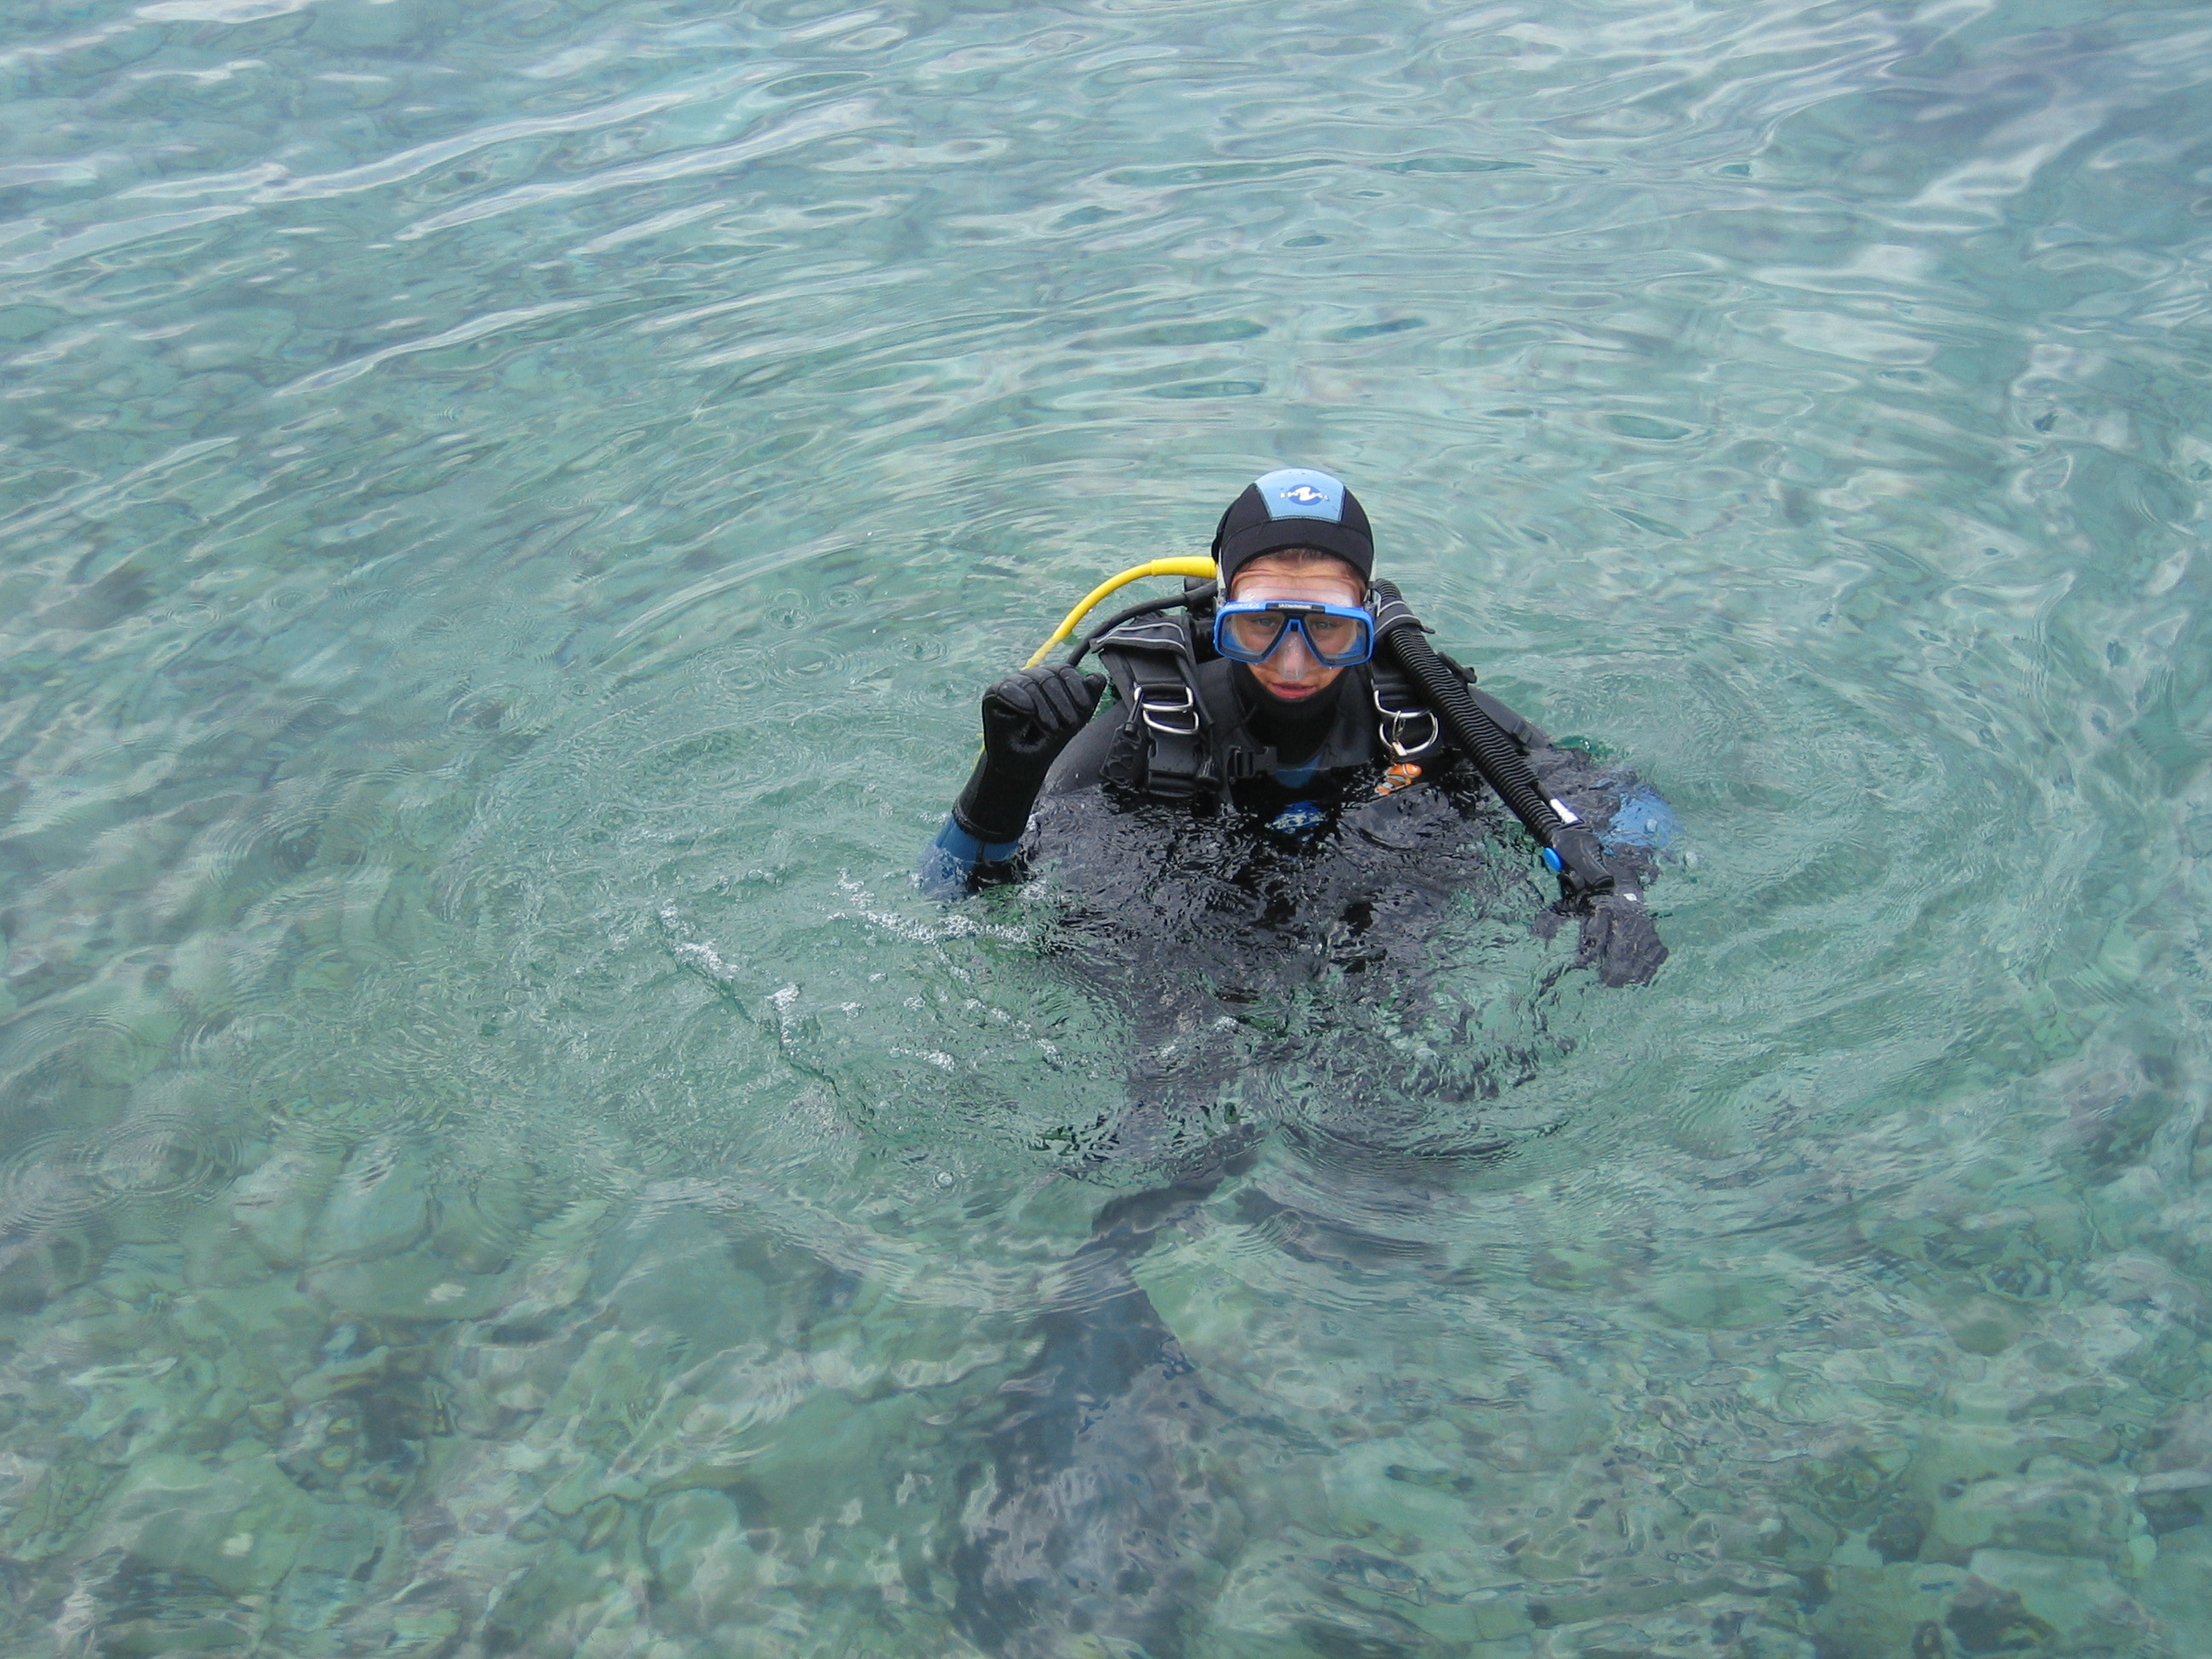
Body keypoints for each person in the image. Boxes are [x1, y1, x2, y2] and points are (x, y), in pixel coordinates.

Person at [920, 468, 1672, 990]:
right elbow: (946, 899)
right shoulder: (1149, 725)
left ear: (1368, 621)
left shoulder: (1416, 706)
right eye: (1261, 624)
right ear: (1221, 612)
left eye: (1328, 628)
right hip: (1183, 947)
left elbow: (1617, 797)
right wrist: (1003, 779)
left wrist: (1621, 887)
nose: (1293, 659)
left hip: (1377, 925)